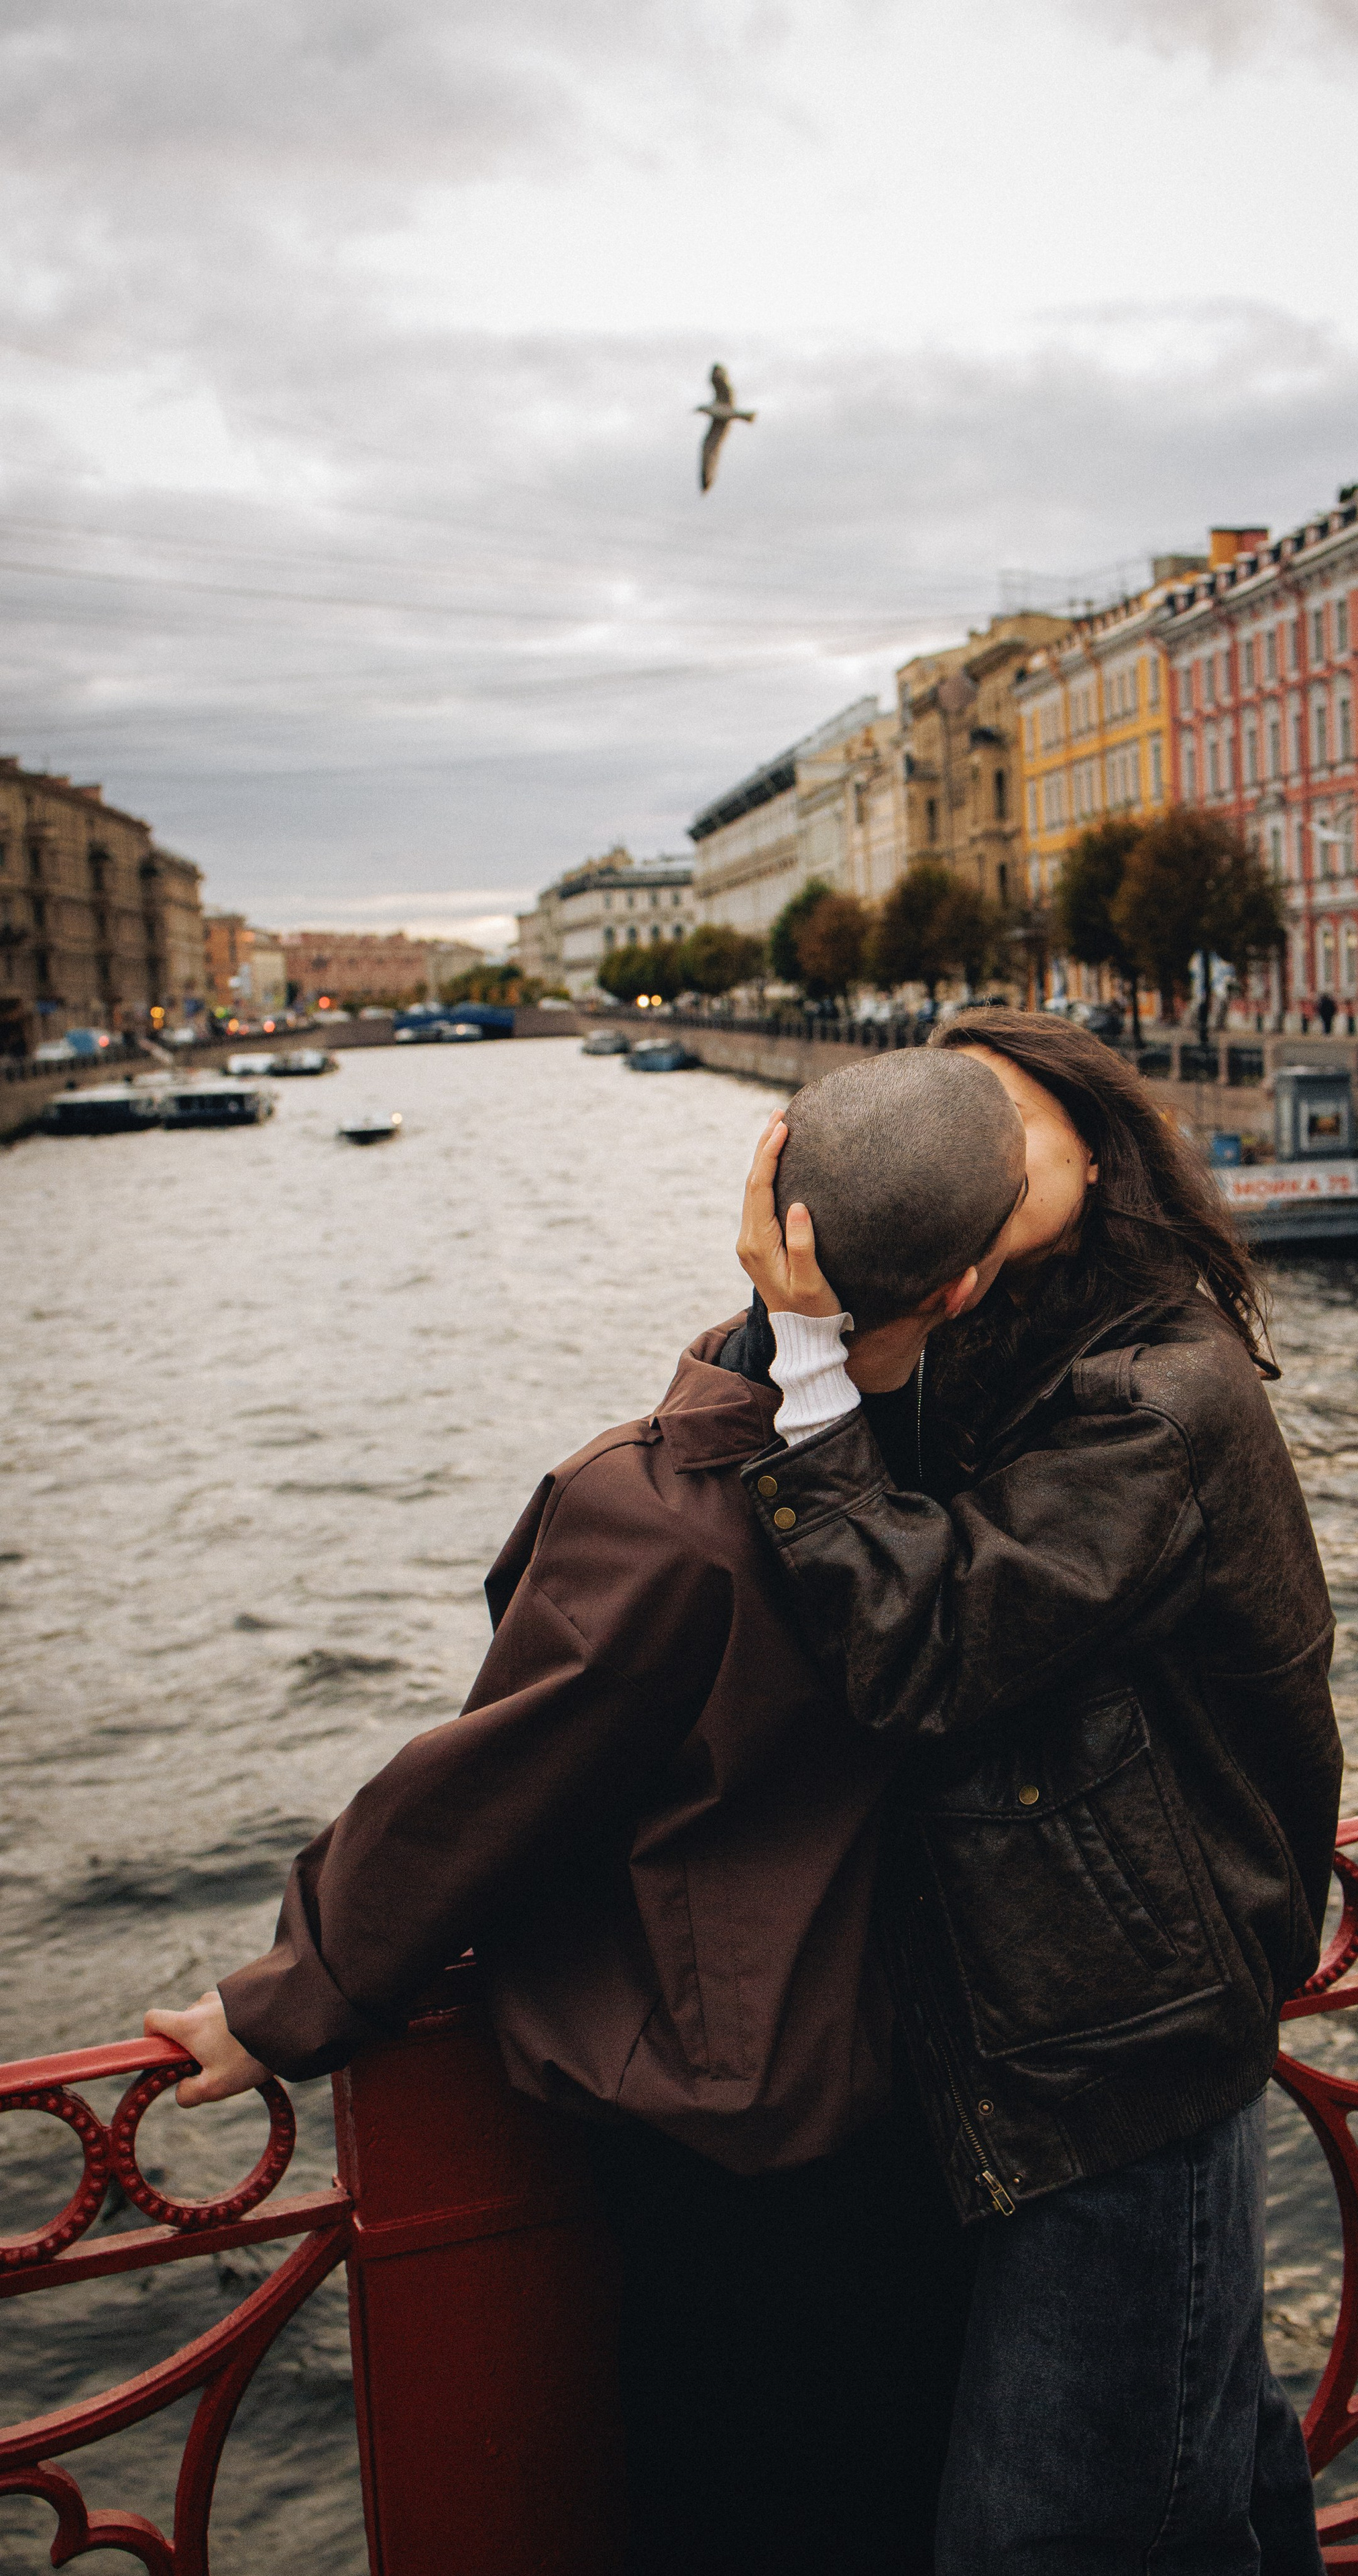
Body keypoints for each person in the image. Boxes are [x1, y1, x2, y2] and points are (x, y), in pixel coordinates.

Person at [144, 1044, 1029, 2576]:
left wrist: (287, 1996)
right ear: (960, 1294)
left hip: (722, 2123)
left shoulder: (656, 1512)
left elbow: (490, 1786)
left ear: (765, 1217)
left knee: (730, 2501)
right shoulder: (963, 1468)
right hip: (926, 2091)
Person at [734, 1006, 1341, 2576]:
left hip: (1120, 2045)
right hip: (1042, 2013)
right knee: (1206, 2482)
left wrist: (813, 1369)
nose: (966, 1146)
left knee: (1054, 2533)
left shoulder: (1150, 1394)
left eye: (998, 1117)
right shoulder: (988, 1329)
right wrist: (814, 1300)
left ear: (1095, 1140)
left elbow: (920, 1646)